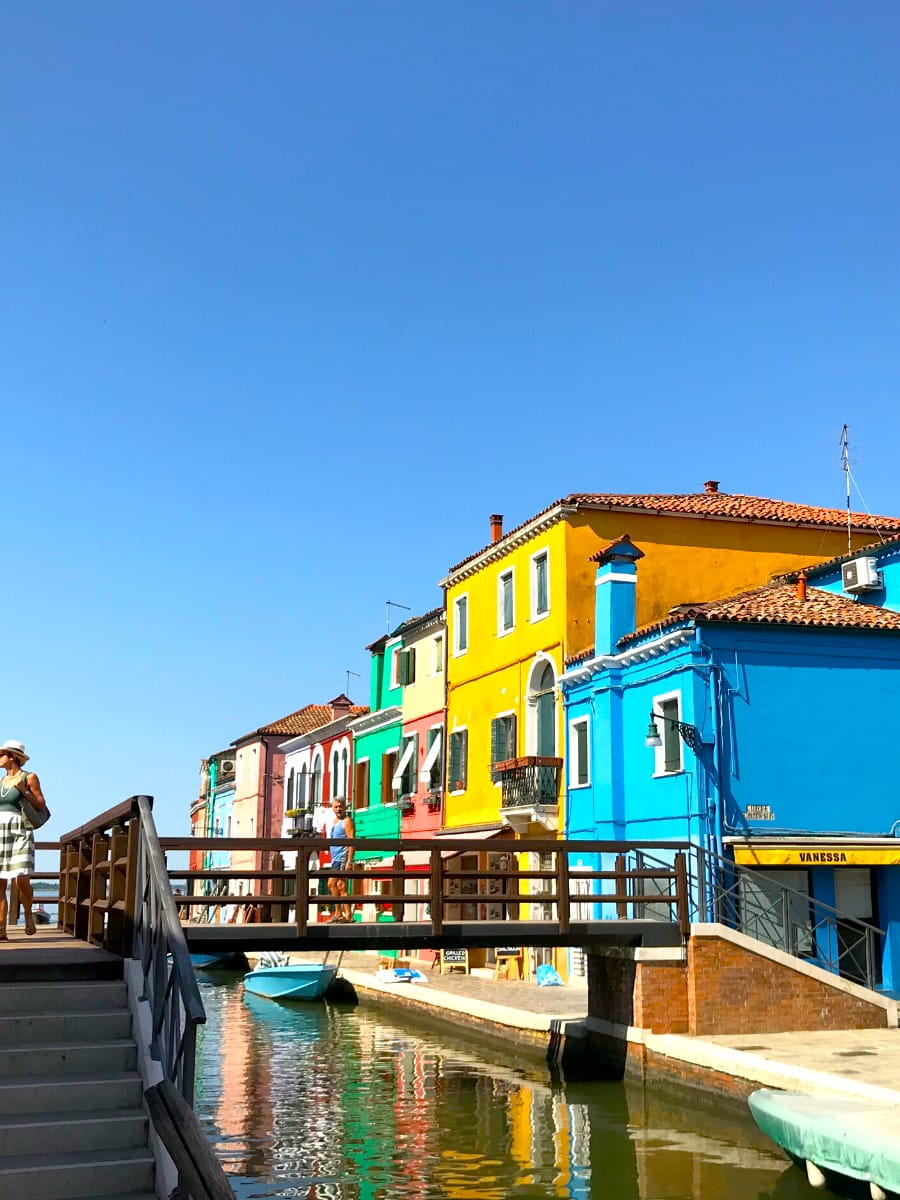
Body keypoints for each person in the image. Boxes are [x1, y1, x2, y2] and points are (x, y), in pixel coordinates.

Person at [0, 740, 48, 939]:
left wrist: (24, 790)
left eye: (2, 754)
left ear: (12, 757)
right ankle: (1, 928)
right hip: (1, 831)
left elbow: (41, 804)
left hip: (20, 830)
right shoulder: (1, 782)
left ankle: (28, 912)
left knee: (22, 879)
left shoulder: (29, 777)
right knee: (0, 882)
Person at [327, 799, 355, 922]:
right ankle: (348, 915)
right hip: (335, 858)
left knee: (331, 883)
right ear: (332, 808)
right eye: (336, 806)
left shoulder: (347, 821)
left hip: (342, 858)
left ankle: (338, 913)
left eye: (340, 806)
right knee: (341, 886)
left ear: (345, 807)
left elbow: (352, 841)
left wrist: (350, 861)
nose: (338, 809)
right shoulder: (335, 821)